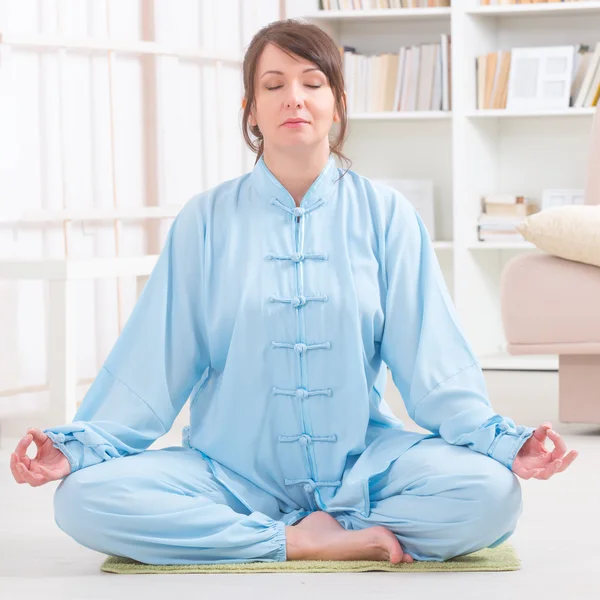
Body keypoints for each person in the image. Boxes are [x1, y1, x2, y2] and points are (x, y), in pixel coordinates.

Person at [10, 19, 577, 566]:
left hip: (365, 470)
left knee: (490, 495)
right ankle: (300, 541)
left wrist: (502, 442)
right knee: (85, 500)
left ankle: (305, 529)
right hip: (228, 475)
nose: (294, 99)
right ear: (250, 110)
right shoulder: (205, 221)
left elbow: (435, 364)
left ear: (338, 103)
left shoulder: (386, 217)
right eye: (273, 85)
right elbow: (152, 363)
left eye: (313, 83)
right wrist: (79, 447)